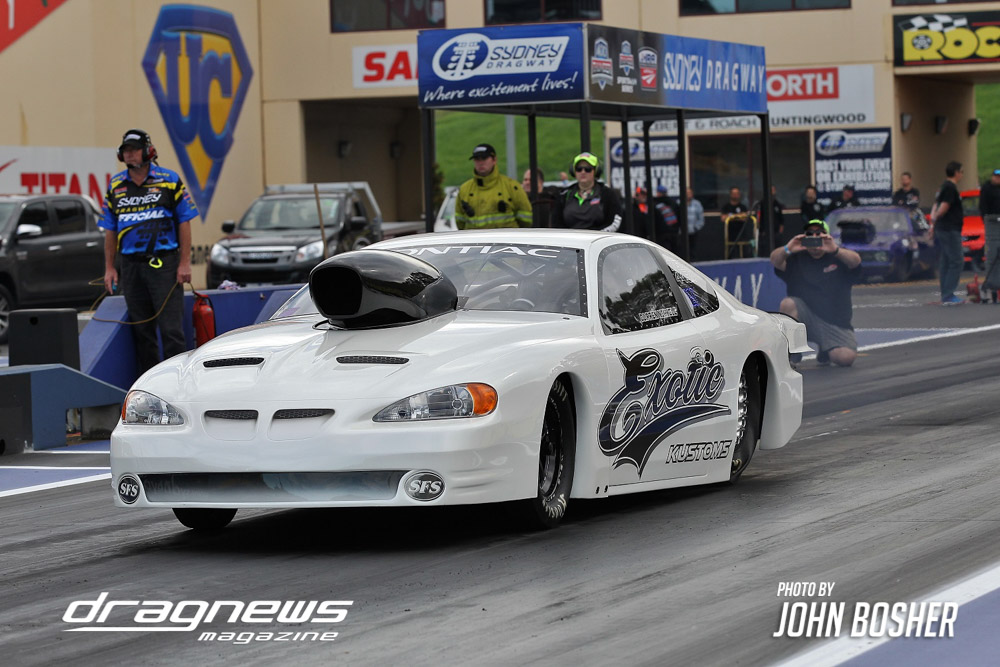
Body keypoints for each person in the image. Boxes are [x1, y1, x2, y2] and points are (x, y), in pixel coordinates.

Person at [100, 129, 198, 373]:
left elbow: (184, 221)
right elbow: (110, 229)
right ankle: (149, 385)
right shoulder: (115, 185)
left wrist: (184, 263)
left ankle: (178, 380)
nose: (130, 154)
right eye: (126, 151)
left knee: (171, 330)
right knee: (142, 331)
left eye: (134, 150)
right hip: (131, 266)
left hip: (164, 264)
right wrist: (110, 268)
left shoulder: (169, 180)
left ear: (148, 151)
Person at [770, 219, 863, 367]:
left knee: (845, 358)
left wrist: (835, 250)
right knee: (788, 304)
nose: (814, 237)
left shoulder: (839, 257)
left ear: (827, 236)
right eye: (810, 234)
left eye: (819, 234)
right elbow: (775, 260)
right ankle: (793, 351)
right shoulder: (796, 258)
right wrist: (788, 248)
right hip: (806, 320)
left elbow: (856, 261)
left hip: (835, 322)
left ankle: (826, 349)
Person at [455, 142, 532, 230]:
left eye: (484, 158)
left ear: (494, 160)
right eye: (477, 159)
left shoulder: (512, 186)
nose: (480, 163)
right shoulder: (464, 189)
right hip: (474, 239)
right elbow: (459, 222)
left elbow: (527, 220)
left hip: (505, 238)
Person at [551, 152, 623, 232]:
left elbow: (615, 221)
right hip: (570, 238)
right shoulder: (564, 194)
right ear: (573, 171)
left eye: (588, 169)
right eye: (579, 169)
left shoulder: (607, 193)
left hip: (599, 238)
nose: (583, 172)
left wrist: (599, 235)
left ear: (596, 171)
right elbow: (556, 223)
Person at [929, 161, 966, 305]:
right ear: (956, 172)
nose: (962, 175)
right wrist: (937, 217)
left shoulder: (943, 187)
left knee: (945, 260)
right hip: (949, 229)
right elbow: (944, 206)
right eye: (961, 172)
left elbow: (935, 204)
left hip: (942, 228)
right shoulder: (950, 187)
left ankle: (945, 293)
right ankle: (949, 294)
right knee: (957, 260)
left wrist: (933, 223)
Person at [979, 168, 1000, 301]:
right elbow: (983, 206)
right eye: (996, 176)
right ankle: (992, 284)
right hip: (992, 222)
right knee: (992, 254)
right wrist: (985, 219)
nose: (997, 179)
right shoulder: (987, 188)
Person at [652, 185, 681, 252]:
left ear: (658, 193)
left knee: (663, 252)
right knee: (674, 253)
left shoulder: (654, 203)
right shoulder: (673, 203)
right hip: (674, 232)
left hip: (661, 234)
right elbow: (679, 217)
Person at [686, 186, 704, 256]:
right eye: (687, 193)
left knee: (693, 250)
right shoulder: (679, 203)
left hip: (694, 231)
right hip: (682, 232)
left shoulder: (697, 204)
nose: (688, 194)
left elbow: (701, 218)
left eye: (689, 193)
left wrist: (696, 227)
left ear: (692, 194)